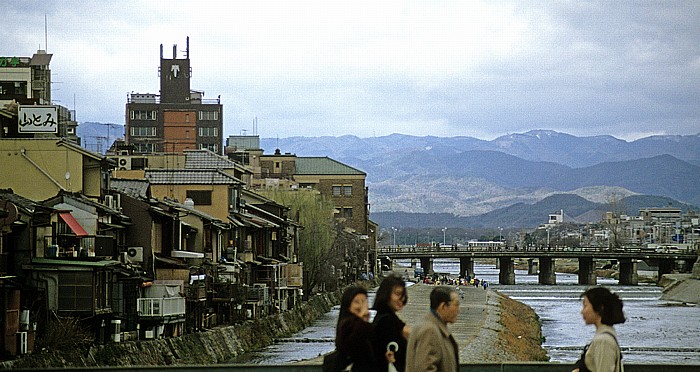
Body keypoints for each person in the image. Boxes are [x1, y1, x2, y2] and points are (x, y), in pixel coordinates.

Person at [405, 286, 460, 372]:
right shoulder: (430, 331)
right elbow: (424, 368)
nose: (458, 310)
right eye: (456, 304)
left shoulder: (431, 325)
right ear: (443, 306)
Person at [573, 286, 626, 372]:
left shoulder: (603, 341)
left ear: (600, 308)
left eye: (585, 305)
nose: (582, 311)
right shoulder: (607, 334)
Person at [334, 286, 378, 371]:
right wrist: (363, 317)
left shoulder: (362, 324)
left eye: (364, 301)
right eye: (357, 302)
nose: (362, 305)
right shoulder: (346, 325)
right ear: (348, 305)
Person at [372, 274, 410, 372]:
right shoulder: (386, 322)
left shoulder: (382, 318)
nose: (402, 299)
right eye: (398, 294)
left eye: (403, 295)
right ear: (386, 294)